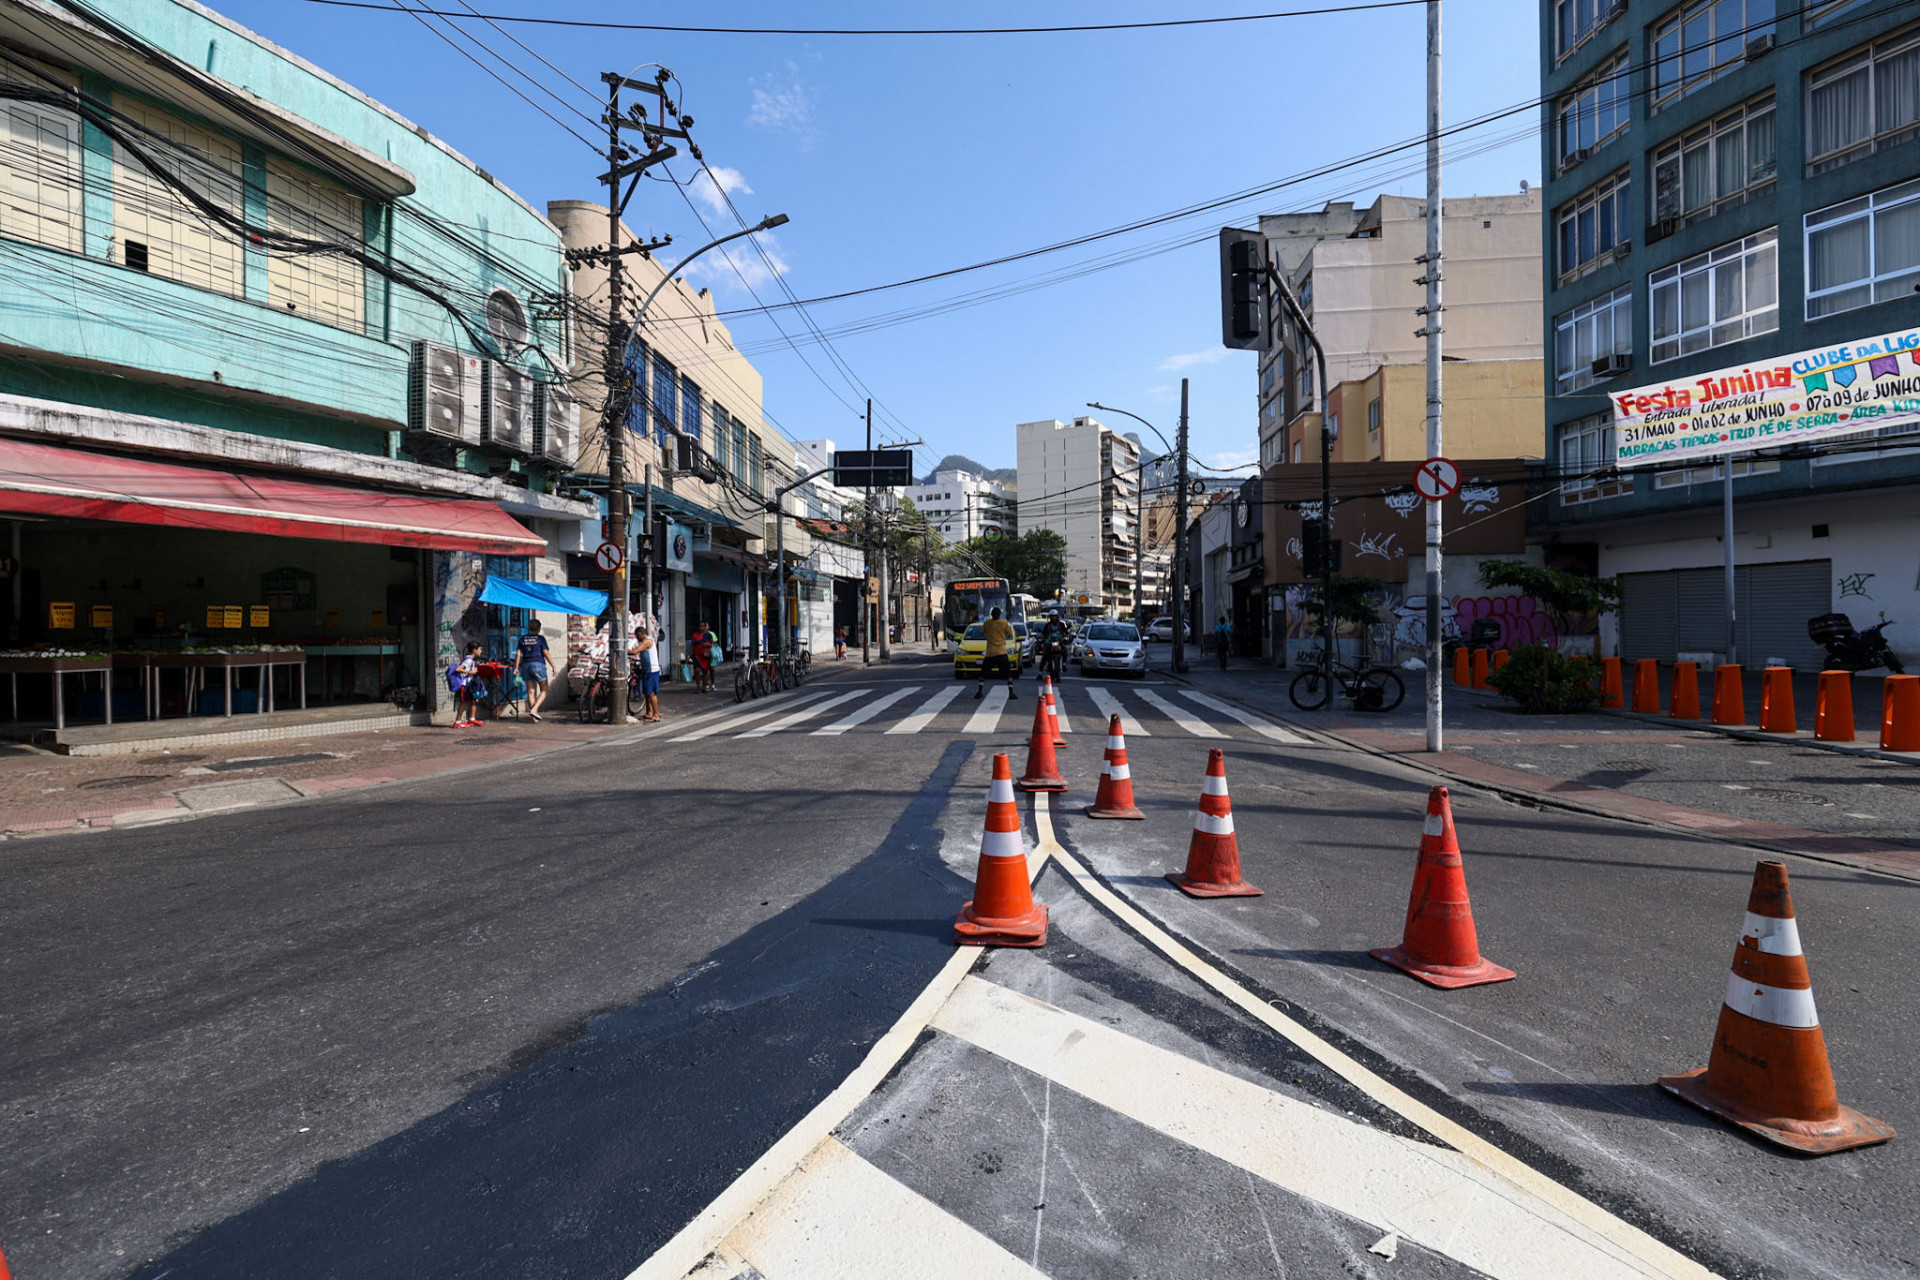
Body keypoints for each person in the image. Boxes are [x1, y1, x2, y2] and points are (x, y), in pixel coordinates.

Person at [975, 605, 1018, 700]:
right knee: (1008, 674)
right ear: (999, 615)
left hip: (990, 652)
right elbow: (1009, 634)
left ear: (991, 615)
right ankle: (1011, 693)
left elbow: (983, 632)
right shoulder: (1004, 623)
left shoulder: (987, 623)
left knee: (983, 673)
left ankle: (979, 692)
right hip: (1001, 652)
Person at [514, 619, 552, 721]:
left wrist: (516, 668)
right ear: (539, 628)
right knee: (544, 690)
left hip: (525, 665)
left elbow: (518, 654)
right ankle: (534, 710)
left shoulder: (522, 639)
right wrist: (553, 666)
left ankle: (534, 718)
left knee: (530, 691)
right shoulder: (540, 639)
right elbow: (546, 653)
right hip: (538, 664)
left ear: (529, 628)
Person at [448, 641, 482, 727]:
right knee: (464, 702)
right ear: (474, 650)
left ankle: (472, 719)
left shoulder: (472, 660)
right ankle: (457, 722)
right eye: (480, 649)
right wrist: (470, 671)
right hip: (465, 685)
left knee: (474, 699)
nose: (481, 651)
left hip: (470, 684)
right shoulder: (468, 660)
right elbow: (458, 669)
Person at [635, 625, 662, 722]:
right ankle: (649, 712)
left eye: (637, 636)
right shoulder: (645, 641)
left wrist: (625, 651)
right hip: (646, 670)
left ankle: (656, 714)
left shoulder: (647, 642)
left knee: (651, 693)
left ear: (641, 634)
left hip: (652, 670)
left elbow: (636, 651)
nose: (637, 638)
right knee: (647, 693)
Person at [690, 621, 715, 693]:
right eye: (700, 626)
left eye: (702, 626)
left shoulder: (708, 635)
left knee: (705, 671)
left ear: (705, 627)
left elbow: (712, 644)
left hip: (705, 655)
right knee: (697, 670)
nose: (701, 628)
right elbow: (692, 645)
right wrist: (689, 654)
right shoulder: (695, 635)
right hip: (697, 655)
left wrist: (708, 645)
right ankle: (698, 686)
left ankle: (705, 687)